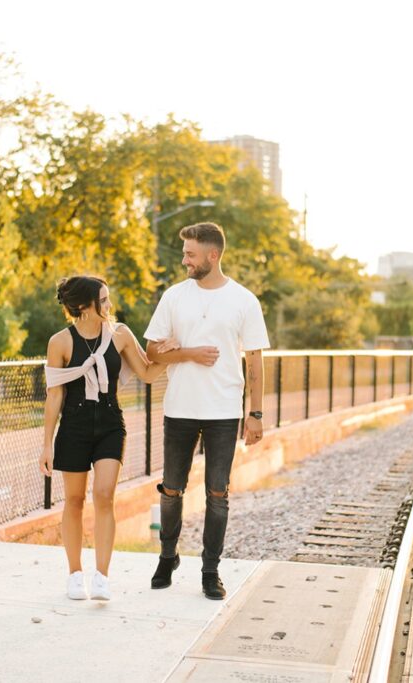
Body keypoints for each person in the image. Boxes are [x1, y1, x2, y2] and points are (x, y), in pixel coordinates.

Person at [143, 222, 270, 600]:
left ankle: (210, 571)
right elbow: (152, 352)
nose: (184, 260)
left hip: (223, 411)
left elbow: (256, 363)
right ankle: (168, 557)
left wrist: (256, 414)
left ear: (212, 256)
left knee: (218, 493)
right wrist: (189, 354)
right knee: (171, 489)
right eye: (184, 253)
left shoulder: (244, 300)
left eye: (190, 254)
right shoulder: (174, 297)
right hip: (180, 408)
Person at [39, 276, 176, 601]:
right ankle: (75, 574)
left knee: (103, 495)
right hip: (73, 425)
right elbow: (54, 395)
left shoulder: (121, 335)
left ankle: (102, 576)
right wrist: (47, 443)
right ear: (85, 306)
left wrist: (172, 354)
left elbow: (146, 373)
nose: (110, 305)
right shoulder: (60, 342)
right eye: (104, 300)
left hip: (110, 423)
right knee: (73, 500)